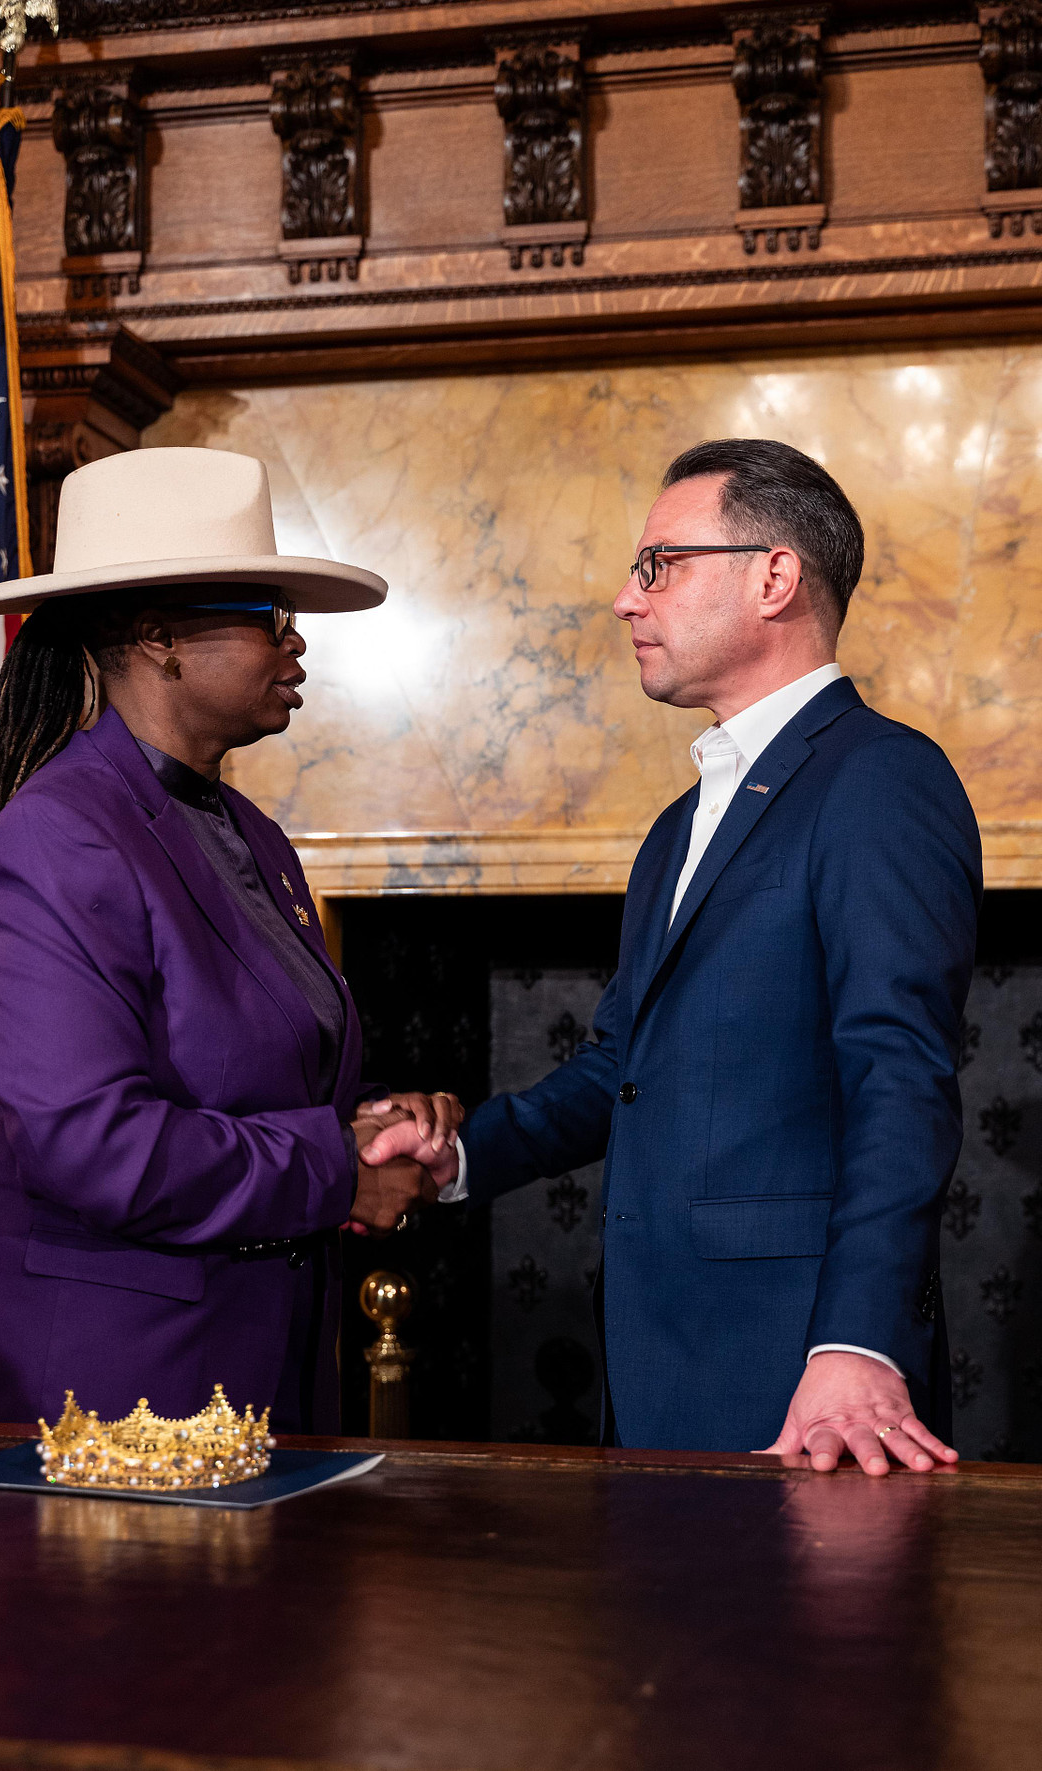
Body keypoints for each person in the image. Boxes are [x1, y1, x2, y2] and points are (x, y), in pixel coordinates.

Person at [367, 437, 981, 1474]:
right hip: (659, 1368)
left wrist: (858, 1339)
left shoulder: (882, 780)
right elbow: (627, 1069)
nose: (625, 599)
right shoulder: (677, 826)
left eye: (660, 564)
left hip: (806, 1377)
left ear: (775, 576)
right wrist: (461, 1154)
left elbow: (901, 1075)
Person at [0, 447, 459, 1430]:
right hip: (106, 1400)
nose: (297, 646)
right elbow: (94, 1144)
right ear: (158, 635)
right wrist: (338, 1165)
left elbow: (252, 1087)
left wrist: (366, 1124)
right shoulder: (60, 834)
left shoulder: (254, 839)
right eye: (267, 616)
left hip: (253, 1372)